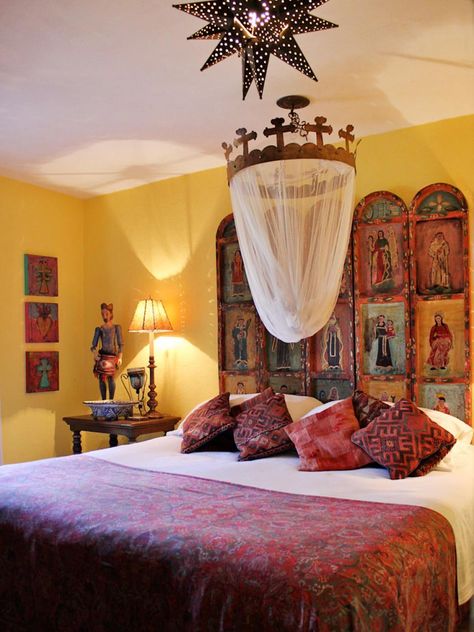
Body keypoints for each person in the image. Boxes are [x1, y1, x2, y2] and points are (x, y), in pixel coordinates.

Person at [91, 303, 123, 399]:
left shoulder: (116, 328)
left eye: (106, 314)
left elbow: (120, 344)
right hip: (103, 356)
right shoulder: (99, 329)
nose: (104, 316)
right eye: (103, 314)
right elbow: (93, 345)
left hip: (112, 356)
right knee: (101, 378)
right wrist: (95, 354)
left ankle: (111, 399)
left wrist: (120, 357)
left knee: (111, 378)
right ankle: (103, 400)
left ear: (111, 314)